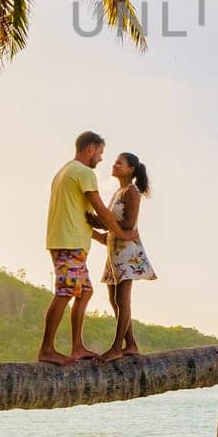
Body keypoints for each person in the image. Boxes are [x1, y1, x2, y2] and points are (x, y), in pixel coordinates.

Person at [39, 131, 132, 366]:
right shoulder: (84, 172)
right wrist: (122, 233)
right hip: (68, 243)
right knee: (66, 291)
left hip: (70, 241)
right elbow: (100, 210)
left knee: (85, 291)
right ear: (90, 149)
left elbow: (80, 216)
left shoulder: (65, 172)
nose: (101, 158)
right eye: (100, 152)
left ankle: (77, 347)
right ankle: (47, 349)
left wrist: (103, 239)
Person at [94, 151, 157, 362]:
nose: (114, 165)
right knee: (114, 299)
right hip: (114, 251)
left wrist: (104, 224)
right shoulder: (117, 192)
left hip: (127, 251)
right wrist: (90, 221)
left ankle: (116, 347)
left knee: (122, 299)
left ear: (130, 169)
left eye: (119, 163)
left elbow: (129, 224)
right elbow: (107, 222)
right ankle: (130, 344)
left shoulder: (132, 192)